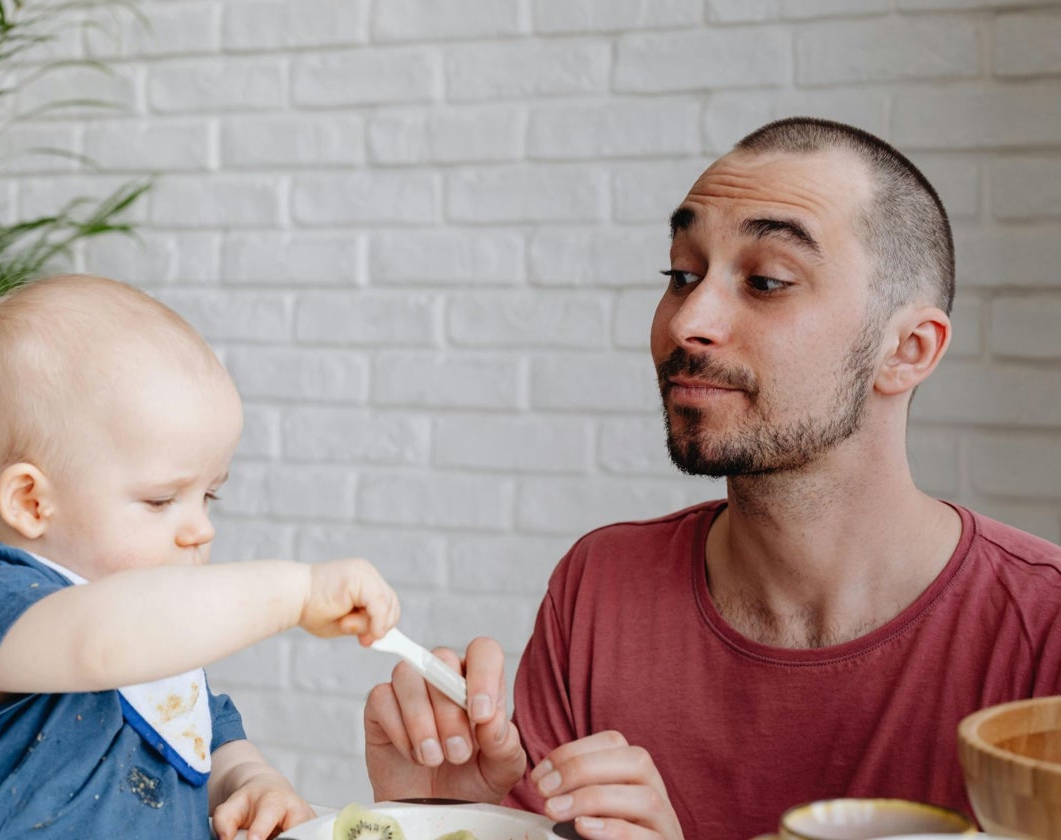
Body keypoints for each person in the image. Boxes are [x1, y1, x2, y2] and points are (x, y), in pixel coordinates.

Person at [361, 117, 1061, 840]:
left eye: (766, 281)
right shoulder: (601, 587)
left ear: (908, 350)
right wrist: (448, 821)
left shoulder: (1045, 630)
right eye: (681, 274)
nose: (687, 320)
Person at [0, 274, 401, 840]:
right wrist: (294, 593)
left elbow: (207, 741)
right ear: (33, 502)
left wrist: (251, 782)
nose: (201, 527)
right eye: (161, 500)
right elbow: (99, 640)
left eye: (208, 496)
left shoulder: (157, 647)